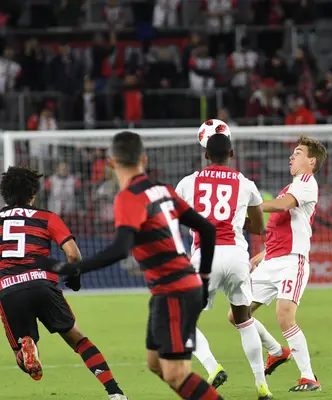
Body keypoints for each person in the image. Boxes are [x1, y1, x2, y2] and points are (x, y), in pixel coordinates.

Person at [41, 131, 222, 400]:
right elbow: (207, 229)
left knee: (175, 373)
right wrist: (204, 279)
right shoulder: (162, 189)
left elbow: (120, 248)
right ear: (144, 159)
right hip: (175, 289)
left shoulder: (128, 198)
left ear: (111, 163)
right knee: (155, 363)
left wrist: (70, 268)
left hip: (175, 290)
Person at [0, 166, 127, 400]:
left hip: (9, 289)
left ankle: (27, 345)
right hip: (42, 284)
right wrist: (74, 276)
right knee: (79, 340)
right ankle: (115, 393)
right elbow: (73, 254)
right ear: (33, 194)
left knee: (22, 355)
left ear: (5, 194)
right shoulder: (47, 217)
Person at [176, 134, 272, 400]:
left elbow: (173, 217)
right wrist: (235, 220)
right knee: (244, 320)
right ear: (231, 154)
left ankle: (212, 366)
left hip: (205, 256)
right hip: (237, 256)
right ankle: (261, 384)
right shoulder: (245, 183)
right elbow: (259, 227)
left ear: (206, 155)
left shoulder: (188, 182)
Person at [234, 136, 327, 392]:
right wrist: (265, 252)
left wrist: (249, 206)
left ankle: (309, 377)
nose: (291, 156)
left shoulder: (306, 183)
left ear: (311, 161)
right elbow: (282, 225)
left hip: (291, 262)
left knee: (284, 316)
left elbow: (282, 207)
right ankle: (276, 351)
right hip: (272, 261)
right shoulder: (290, 186)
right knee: (237, 314)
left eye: (297, 153)